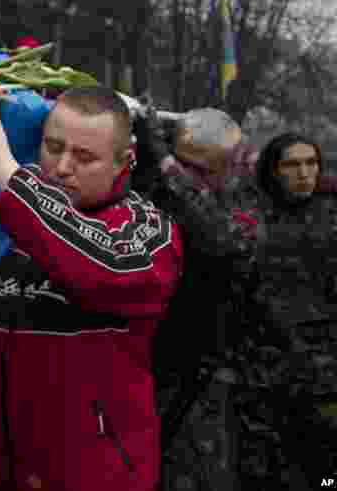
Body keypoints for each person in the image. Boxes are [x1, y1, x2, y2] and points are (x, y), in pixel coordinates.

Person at [0, 86, 183, 491]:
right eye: (52, 147)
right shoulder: (3, 215)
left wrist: (2, 162)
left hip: (93, 472)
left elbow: (102, 265)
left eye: (84, 157)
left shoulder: (150, 232)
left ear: (122, 163)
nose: (60, 167)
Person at [131, 105, 256, 491]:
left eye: (199, 170)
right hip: (143, 363)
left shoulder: (240, 206)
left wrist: (167, 161)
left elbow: (221, 237)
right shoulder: (157, 189)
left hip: (201, 379)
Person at [231, 132, 337, 490]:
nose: (304, 173)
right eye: (292, 165)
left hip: (324, 372)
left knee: (325, 473)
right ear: (273, 171)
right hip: (264, 372)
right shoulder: (249, 217)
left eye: (311, 164)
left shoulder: (331, 212)